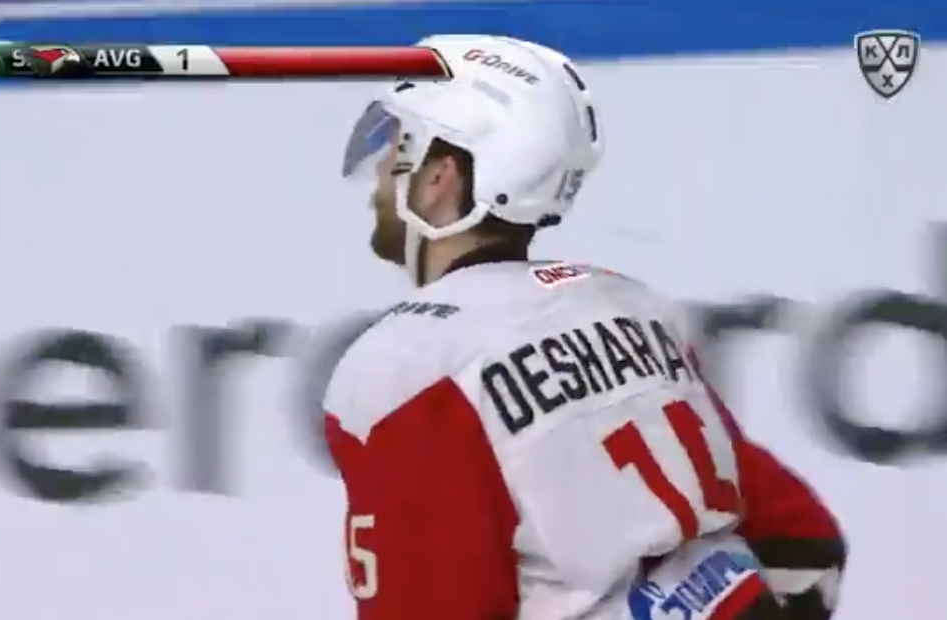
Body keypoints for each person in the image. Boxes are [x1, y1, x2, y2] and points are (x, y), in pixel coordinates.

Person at [324, 34, 846, 620]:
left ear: (439, 176)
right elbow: (807, 542)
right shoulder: (635, 308)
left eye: (398, 147)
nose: (379, 174)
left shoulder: (406, 367)